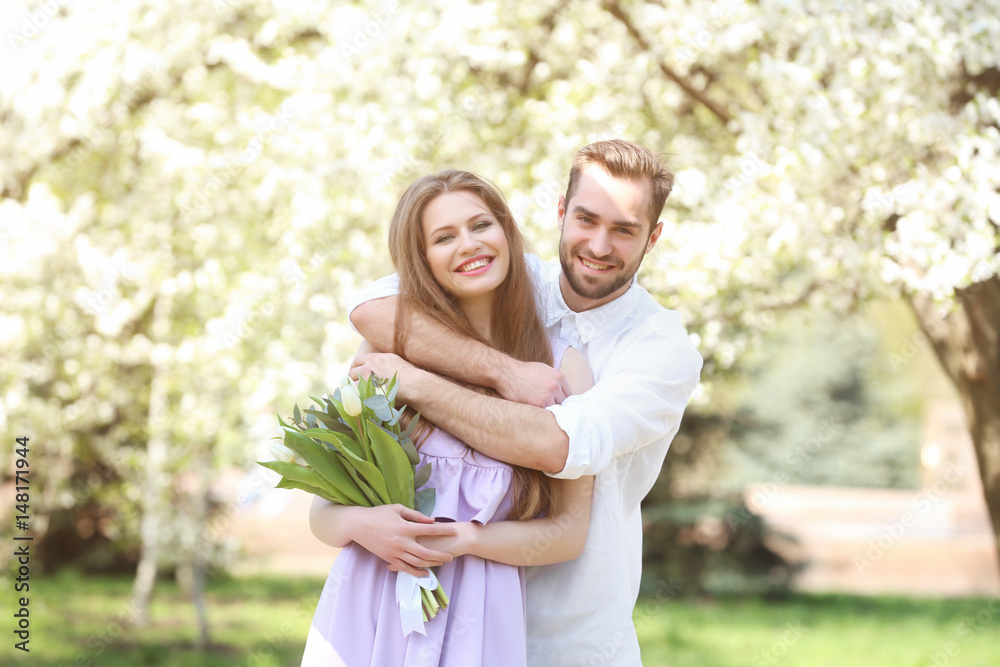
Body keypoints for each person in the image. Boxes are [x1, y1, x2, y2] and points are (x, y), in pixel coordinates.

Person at [347, 139, 704, 665]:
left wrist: (415, 382)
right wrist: (502, 370)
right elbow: (371, 309)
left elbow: (555, 446)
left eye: (624, 229)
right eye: (586, 219)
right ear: (561, 212)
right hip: (444, 625)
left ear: (653, 237)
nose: (600, 245)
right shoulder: (508, 279)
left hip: (568, 638)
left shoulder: (661, 351)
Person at [303, 170, 595, 667]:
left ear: (506, 232)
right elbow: (321, 515)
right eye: (444, 237)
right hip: (370, 607)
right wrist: (363, 523)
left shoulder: (562, 370)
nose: (468, 244)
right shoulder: (383, 352)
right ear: (422, 261)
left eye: (481, 225)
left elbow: (568, 532)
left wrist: (468, 540)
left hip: (481, 622)